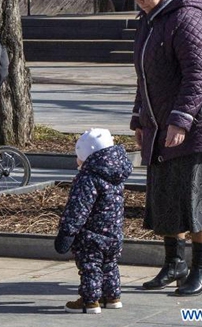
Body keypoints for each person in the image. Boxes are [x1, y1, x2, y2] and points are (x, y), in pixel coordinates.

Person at [125, 0, 202, 297]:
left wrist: (181, 120)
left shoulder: (188, 19)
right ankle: (175, 263)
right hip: (162, 121)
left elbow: (198, 76)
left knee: (194, 195)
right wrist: (139, 118)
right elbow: (145, 77)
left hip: (199, 121)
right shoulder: (150, 20)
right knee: (165, 193)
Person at [55, 128, 132, 314]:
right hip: (114, 233)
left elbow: (78, 207)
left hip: (91, 235)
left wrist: (67, 232)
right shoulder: (115, 174)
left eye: (78, 157)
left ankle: (89, 301)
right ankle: (112, 297)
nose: (77, 161)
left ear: (88, 156)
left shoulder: (87, 178)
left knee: (90, 267)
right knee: (110, 265)